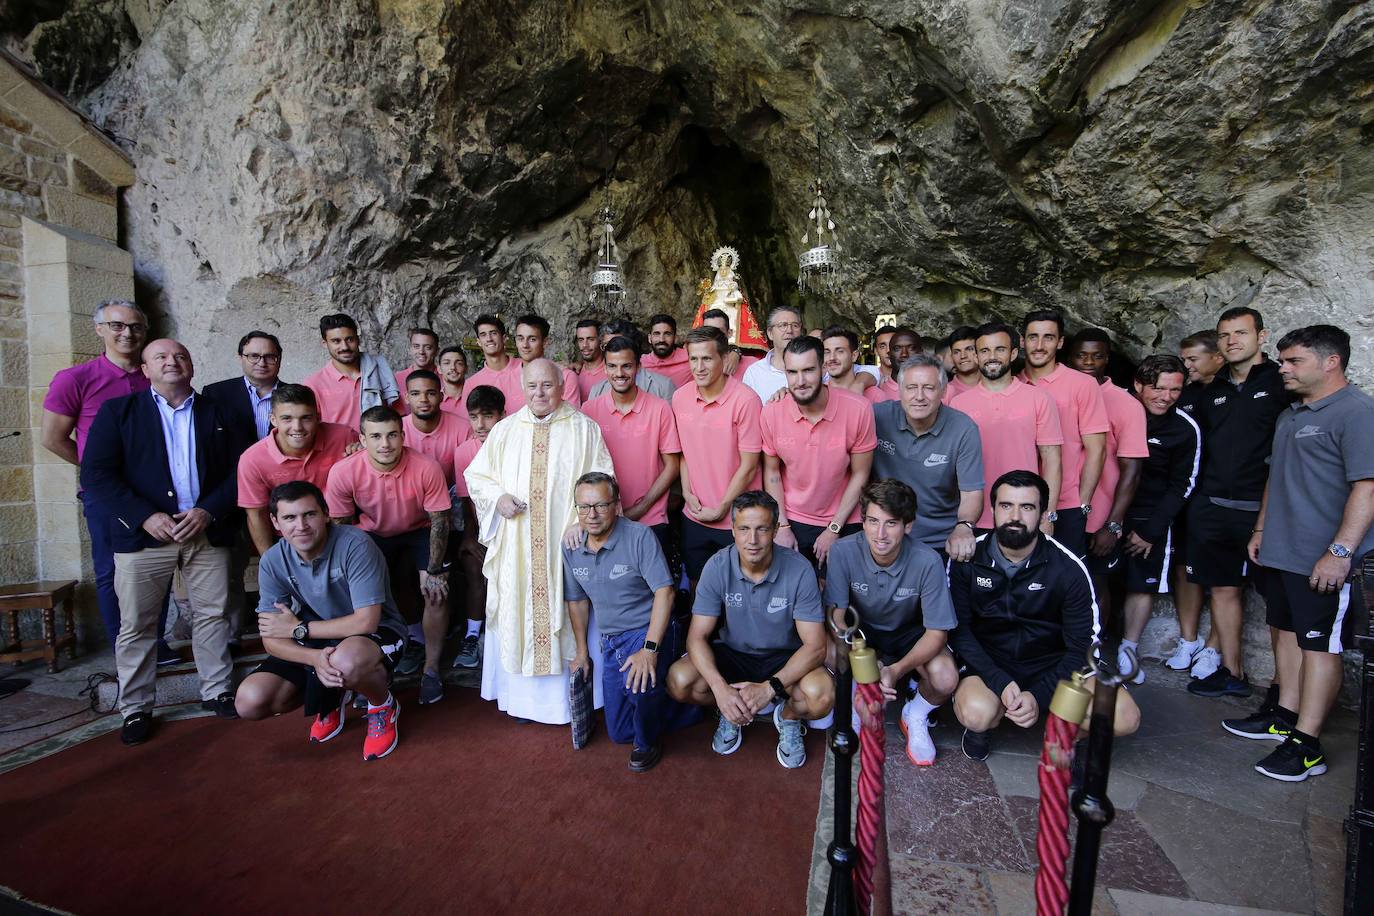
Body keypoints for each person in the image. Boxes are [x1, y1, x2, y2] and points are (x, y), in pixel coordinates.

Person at [81, 339, 248, 745]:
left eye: (180, 356)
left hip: (204, 530)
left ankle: (217, 690)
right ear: (144, 368)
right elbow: (97, 475)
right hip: (144, 537)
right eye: (161, 357)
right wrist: (144, 516)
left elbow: (240, 470)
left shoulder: (219, 412)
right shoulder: (119, 413)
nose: (172, 362)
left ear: (192, 366)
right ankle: (136, 706)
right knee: (137, 623)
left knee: (213, 615)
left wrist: (209, 510)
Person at [1234, 326, 1374, 781]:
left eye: (1294, 361)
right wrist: (1261, 529)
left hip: (1323, 559)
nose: (1283, 369)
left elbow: (1367, 488)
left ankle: (1307, 745)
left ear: (1330, 361)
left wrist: (1340, 552)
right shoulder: (1291, 414)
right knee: (1284, 633)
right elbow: (1277, 477)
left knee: (1320, 647)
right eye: (1283, 360)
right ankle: (1285, 715)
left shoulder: (1357, 413)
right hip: (1282, 550)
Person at [950, 470, 1140, 760]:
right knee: (976, 713)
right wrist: (999, 681)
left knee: (1124, 716)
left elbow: (1083, 645)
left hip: (1055, 665)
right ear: (992, 510)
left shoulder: (1067, 567)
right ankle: (985, 723)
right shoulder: (968, 558)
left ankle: (1072, 735)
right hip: (991, 664)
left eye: (1027, 507)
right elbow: (958, 632)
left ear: (1042, 514)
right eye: (1006, 506)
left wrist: (1038, 695)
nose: (1015, 515)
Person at [464, 358, 614, 723]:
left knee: (568, 611)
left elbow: (603, 477)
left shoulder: (584, 429)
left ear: (562, 386)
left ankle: (569, 703)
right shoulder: (505, 431)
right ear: (522, 388)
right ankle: (523, 703)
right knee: (518, 614)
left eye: (547, 385)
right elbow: (478, 476)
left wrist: (582, 520)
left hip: (566, 545)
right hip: (518, 548)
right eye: (532, 386)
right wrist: (498, 498)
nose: (540, 393)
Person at [234, 481, 408, 760]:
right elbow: (271, 639)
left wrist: (299, 629)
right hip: (318, 642)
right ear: (275, 522)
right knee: (249, 701)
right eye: (289, 517)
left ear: (326, 513)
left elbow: (366, 622)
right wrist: (313, 658)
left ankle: (382, 705)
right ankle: (332, 696)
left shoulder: (355, 544)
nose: (300, 525)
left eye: (309, 514)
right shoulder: (272, 561)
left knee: (345, 661)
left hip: (378, 634)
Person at [667, 490, 832, 768]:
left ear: (776, 529)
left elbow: (816, 646)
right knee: (678, 681)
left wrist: (770, 688)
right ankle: (731, 711)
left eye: (762, 529)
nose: (752, 540)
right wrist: (720, 691)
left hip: (784, 657)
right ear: (732, 530)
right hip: (733, 654)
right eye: (744, 529)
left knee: (822, 695)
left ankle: (788, 716)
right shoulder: (717, 566)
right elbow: (696, 638)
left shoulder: (799, 569)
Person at [41, 299, 163, 654]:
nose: (127, 333)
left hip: (155, 492)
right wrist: (98, 472)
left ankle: (158, 645)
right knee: (111, 572)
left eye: (136, 327)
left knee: (157, 569)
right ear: (100, 329)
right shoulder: (75, 378)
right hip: (106, 495)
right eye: (117, 326)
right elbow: (53, 438)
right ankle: (122, 647)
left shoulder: (153, 376)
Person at [1185, 306, 1289, 696]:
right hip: (1213, 507)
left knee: (1278, 603)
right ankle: (1233, 672)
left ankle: (1284, 687)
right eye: (1225, 335)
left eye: (1241, 333)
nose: (1232, 341)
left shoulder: (1281, 382)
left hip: (1266, 508)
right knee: (1223, 589)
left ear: (1261, 336)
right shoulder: (1211, 392)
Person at [564, 473, 696, 772]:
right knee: (621, 731)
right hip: (612, 640)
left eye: (600, 505)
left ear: (616, 505)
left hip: (648, 630)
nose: (592, 515)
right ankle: (687, 707)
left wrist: (650, 648)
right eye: (584, 507)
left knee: (641, 685)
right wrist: (582, 652)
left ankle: (650, 741)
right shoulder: (571, 545)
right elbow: (577, 601)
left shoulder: (639, 536)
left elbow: (665, 591)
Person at [825, 479, 960, 766]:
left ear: (908, 525)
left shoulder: (927, 560)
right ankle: (852, 697)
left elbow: (937, 633)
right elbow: (836, 619)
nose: (880, 533)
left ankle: (916, 714)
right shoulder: (843, 551)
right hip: (863, 632)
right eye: (873, 521)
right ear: (862, 522)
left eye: (891, 523)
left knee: (946, 677)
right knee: (828, 650)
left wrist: (895, 671)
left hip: (908, 633)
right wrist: (864, 666)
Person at [325, 406, 451, 704]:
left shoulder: (425, 466)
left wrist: (433, 571)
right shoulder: (344, 471)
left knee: (436, 591)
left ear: (402, 435)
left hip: (419, 529)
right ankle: (372, 669)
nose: (385, 444)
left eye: (392, 435)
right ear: (363, 439)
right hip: (370, 534)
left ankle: (431, 670)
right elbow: (340, 529)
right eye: (377, 436)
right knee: (360, 595)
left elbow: (440, 522)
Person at [1110, 356, 1201, 684]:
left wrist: (1151, 530)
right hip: (1105, 509)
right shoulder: (1116, 411)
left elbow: (1183, 484)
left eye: (1175, 389)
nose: (1166, 396)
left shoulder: (1184, 428)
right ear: (1138, 385)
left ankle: (1128, 649)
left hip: (1149, 518)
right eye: (1158, 388)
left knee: (1141, 583)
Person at [761, 336, 876, 567]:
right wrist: (781, 526)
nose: (800, 380)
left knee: (838, 596)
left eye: (808, 370)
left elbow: (861, 474)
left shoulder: (858, 409)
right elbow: (772, 473)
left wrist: (835, 528)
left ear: (823, 368)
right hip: (793, 519)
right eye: (792, 372)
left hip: (844, 517)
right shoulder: (772, 412)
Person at [950, 321, 1063, 534]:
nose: (991, 356)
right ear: (976, 356)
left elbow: (1052, 459)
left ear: (1013, 354)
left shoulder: (1039, 398)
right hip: (973, 517)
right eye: (984, 350)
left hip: (1025, 514)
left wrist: (1047, 513)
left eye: (999, 349)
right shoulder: (957, 404)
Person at [671, 326, 763, 586]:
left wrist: (723, 507)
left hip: (738, 518)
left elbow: (749, 465)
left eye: (707, 358)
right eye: (693, 359)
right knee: (699, 589)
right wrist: (688, 493)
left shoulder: (746, 400)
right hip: (695, 516)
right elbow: (685, 454)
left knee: (740, 591)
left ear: (723, 359)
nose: (699, 367)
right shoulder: (680, 398)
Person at [871, 354, 984, 561]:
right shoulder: (876, 417)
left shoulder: (963, 429)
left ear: (943, 391)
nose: (919, 396)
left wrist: (964, 526)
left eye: (929, 388)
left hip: (940, 540)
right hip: (884, 537)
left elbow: (971, 492)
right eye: (911, 387)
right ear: (900, 390)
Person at [581, 336, 682, 562]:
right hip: (601, 519)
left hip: (651, 518)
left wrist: (643, 506)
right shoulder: (589, 410)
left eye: (626, 365)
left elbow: (672, 466)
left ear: (638, 366)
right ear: (604, 368)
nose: (619, 373)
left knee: (657, 589)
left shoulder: (660, 409)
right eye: (612, 366)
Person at [1066, 329, 1150, 595]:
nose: (1089, 363)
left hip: (1100, 516)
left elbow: (1132, 471)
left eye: (1097, 356)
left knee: (1097, 586)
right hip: (1061, 512)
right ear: (1069, 358)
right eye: (1081, 356)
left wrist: (1112, 525)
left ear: (1107, 359)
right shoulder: (1057, 395)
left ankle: (1096, 639)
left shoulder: (1126, 404)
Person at [1018, 310, 1108, 557]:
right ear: (1021, 342)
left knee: (1065, 581)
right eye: (1032, 337)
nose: (1039, 345)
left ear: (1060, 342)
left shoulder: (1083, 384)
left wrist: (1082, 503)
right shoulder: (1013, 383)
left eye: (1048, 337)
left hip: (1066, 503)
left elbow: (1097, 449)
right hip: (1018, 500)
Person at [236, 384, 357, 555]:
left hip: (341, 532)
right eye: (287, 418)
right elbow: (256, 515)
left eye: (306, 418)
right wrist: (270, 561)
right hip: (289, 539)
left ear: (318, 417)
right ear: (273, 419)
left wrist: (362, 453)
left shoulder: (344, 437)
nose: (297, 427)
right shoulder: (252, 459)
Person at [1166, 329, 1225, 670]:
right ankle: (1189, 640)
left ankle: (1215, 647)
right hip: (1185, 496)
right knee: (1183, 568)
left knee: (1221, 577)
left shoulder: (1233, 393)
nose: (1186, 365)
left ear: (1218, 357)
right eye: (1183, 359)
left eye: (1193, 359)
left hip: (1219, 497)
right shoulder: (1184, 394)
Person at [450, 384, 506, 670]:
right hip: (482, 530)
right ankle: (472, 635)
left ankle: (505, 638)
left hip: (511, 530)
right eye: (474, 417)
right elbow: (466, 501)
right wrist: (471, 539)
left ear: (502, 415)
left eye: (488, 416)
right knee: (473, 567)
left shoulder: (514, 445)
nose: (481, 424)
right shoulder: (463, 452)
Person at [303, 313, 400, 430]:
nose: (344, 347)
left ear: (358, 340)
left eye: (349, 339)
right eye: (336, 341)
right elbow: (310, 428)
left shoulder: (379, 370)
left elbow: (398, 415)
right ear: (325, 343)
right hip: (338, 447)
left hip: (379, 445)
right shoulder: (314, 384)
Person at [203, 330, 282, 442]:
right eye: (254, 356)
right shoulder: (216, 394)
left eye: (269, 357)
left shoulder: (297, 395)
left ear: (279, 360)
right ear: (240, 358)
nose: (262, 363)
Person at [402, 369, 472, 480]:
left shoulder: (464, 429)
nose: (423, 399)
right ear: (406, 398)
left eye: (430, 393)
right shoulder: (396, 431)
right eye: (415, 394)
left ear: (441, 396)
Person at [586, 320, 676, 400]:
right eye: (606, 346)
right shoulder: (597, 391)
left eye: (618, 344)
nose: (612, 350)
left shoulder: (663, 387)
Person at [513, 314, 582, 406]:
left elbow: (571, 417)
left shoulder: (566, 376)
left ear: (545, 342)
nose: (525, 345)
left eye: (532, 339)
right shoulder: (507, 377)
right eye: (520, 339)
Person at [741, 305, 805, 401]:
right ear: (770, 333)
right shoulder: (754, 373)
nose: (789, 330)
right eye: (783, 325)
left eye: (795, 325)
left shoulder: (814, 367)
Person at [468, 314, 524, 410]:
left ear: (504, 338)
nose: (489, 339)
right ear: (479, 342)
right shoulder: (472, 384)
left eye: (493, 333)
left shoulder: (525, 367)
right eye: (483, 335)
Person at [865, 327, 921, 404]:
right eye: (882, 346)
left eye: (892, 345)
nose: (888, 350)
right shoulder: (869, 377)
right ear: (876, 351)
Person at [702, 307, 760, 377]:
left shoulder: (752, 365)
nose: (713, 335)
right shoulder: (695, 365)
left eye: (719, 331)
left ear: (729, 333)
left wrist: (736, 351)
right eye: (708, 331)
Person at [822, 326, 878, 396]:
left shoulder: (874, 395)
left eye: (840, 351)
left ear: (854, 356)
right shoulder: (817, 396)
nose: (832, 358)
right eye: (827, 352)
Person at [643, 313, 693, 388]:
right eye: (657, 334)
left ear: (675, 338)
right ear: (649, 338)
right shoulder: (641, 364)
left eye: (667, 334)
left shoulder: (690, 357)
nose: (661, 339)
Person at [395, 327, 440, 393]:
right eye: (416, 346)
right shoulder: (395, 380)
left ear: (437, 351)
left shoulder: (447, 379)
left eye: (428, 347)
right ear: (410, 349)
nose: (421, 352)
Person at [945, 325, 982, 403]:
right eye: (957, 352)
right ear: (952, 357)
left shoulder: (994, 385)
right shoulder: (945, 392)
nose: (963, 356)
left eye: (969, 349)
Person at [572, 318, 606, 400]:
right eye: (581, 340)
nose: (584, 345)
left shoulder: (612, 371)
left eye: (590, 339)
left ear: (601, 340)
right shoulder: (574, 372)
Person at [436, 345, 469, 417]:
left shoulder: (475, 396)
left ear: (466, 368)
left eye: (458, 363)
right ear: (439, 369)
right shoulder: (435, 400)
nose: (453, 367)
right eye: (447, 363)